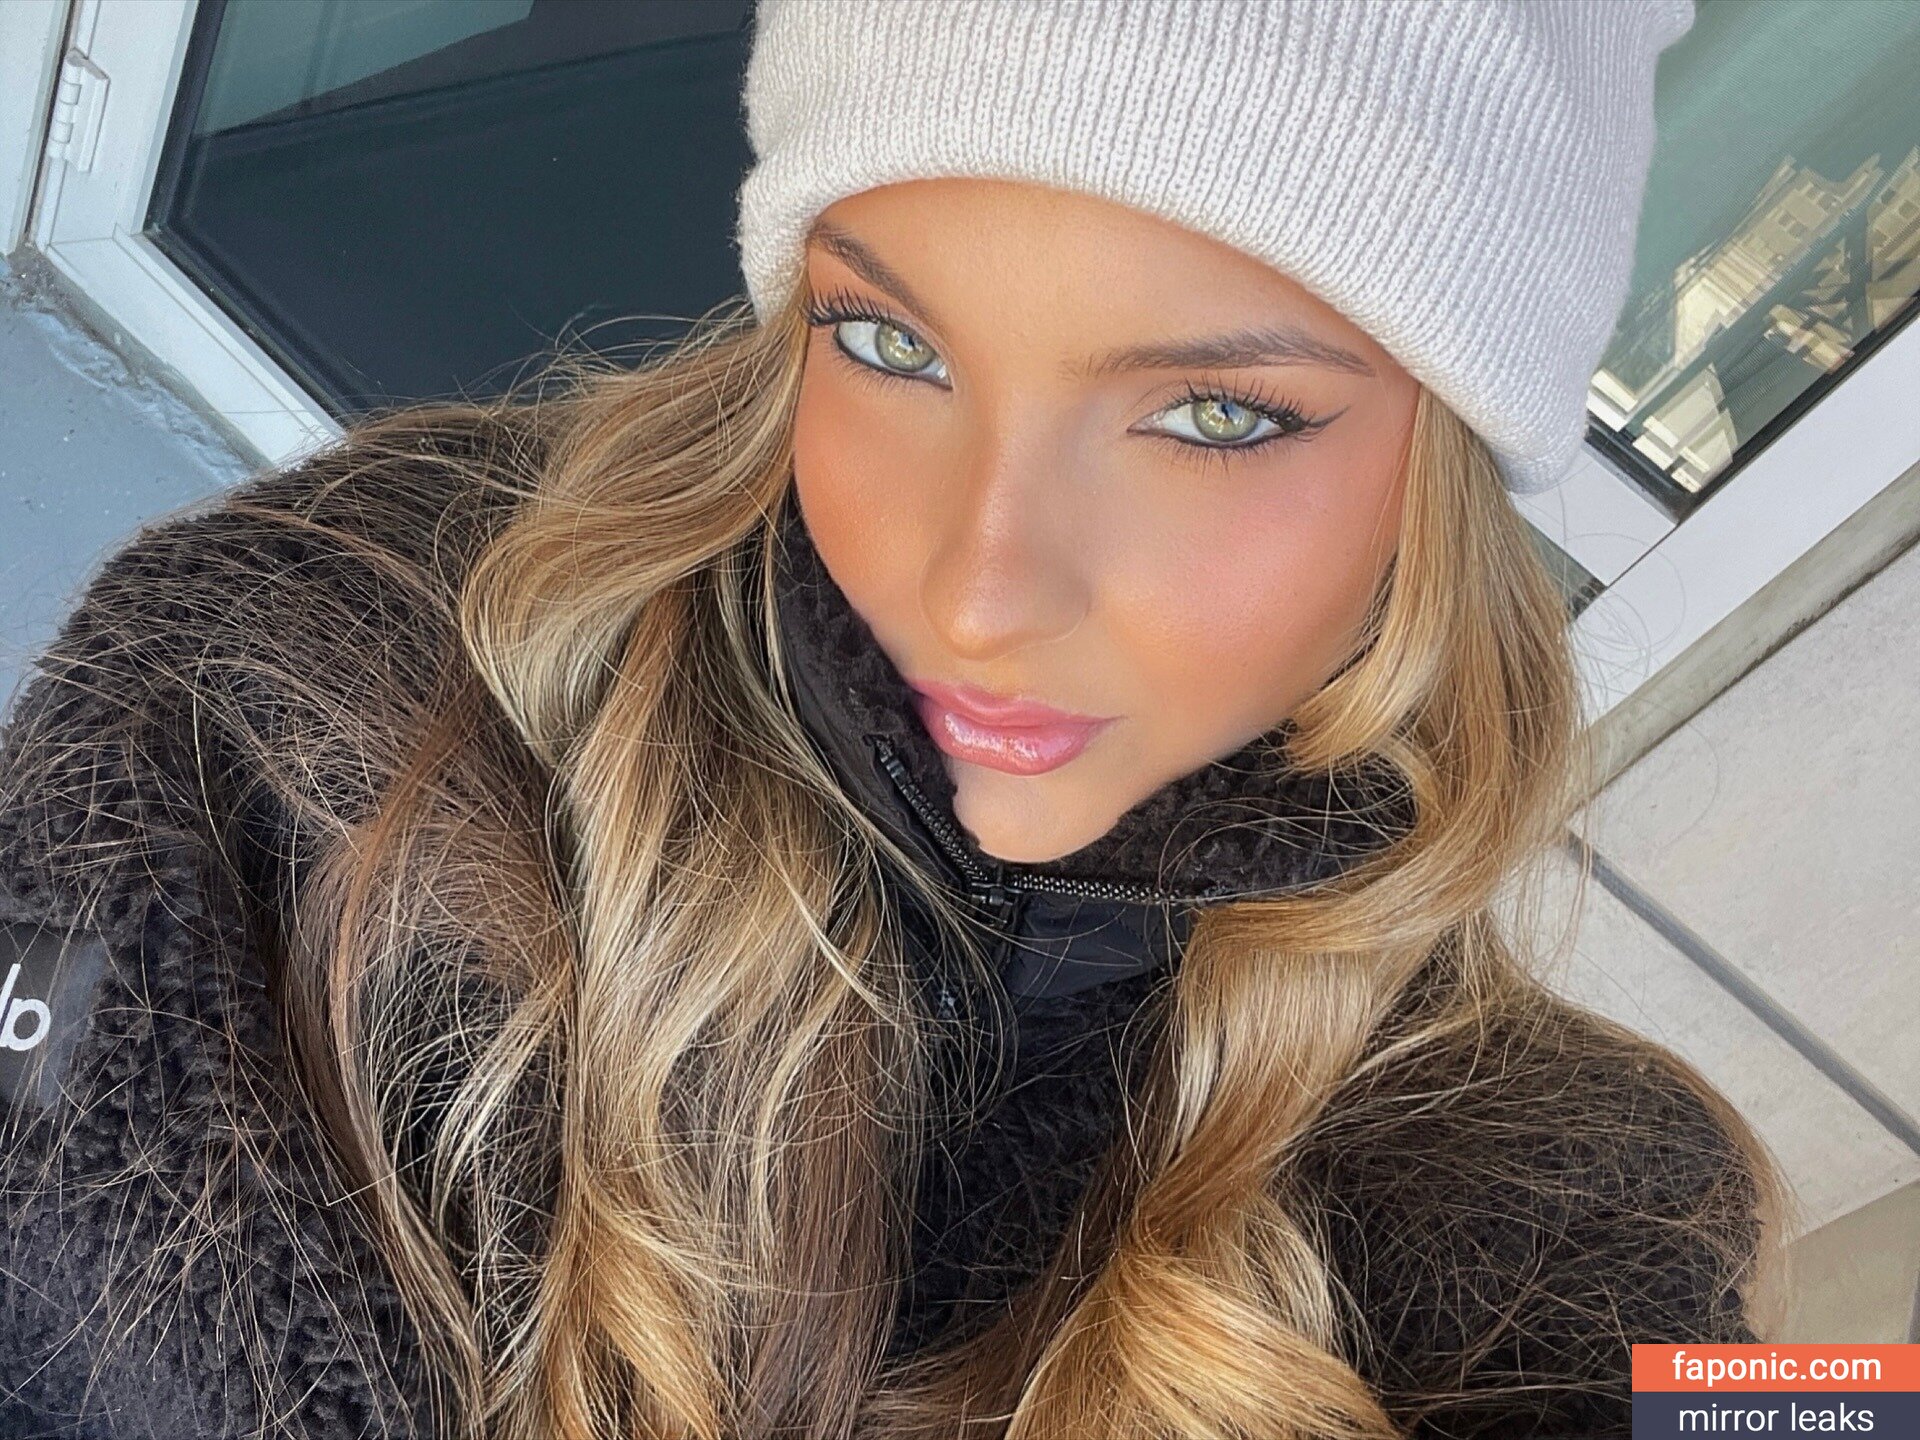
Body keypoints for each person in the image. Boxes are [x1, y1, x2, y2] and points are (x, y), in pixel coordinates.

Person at [0, 1, 1792, 1437]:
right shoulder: (305, 673)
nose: (980, 591)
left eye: (1215, 416)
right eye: (889, 343)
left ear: (1444, 474)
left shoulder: (1567, 1185)